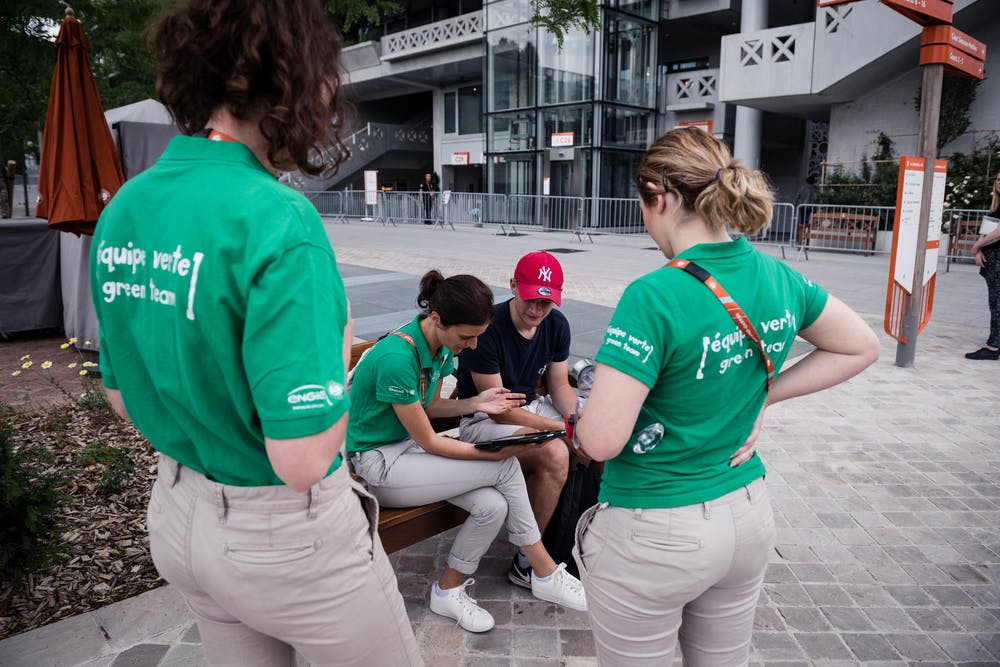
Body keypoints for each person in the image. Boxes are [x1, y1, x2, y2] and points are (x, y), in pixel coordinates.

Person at [89, 1, 421, 664]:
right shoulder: (278, 220)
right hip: (286, 538)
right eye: (326, 72)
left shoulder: (131, 203)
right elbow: (300, 459)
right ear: (283, 74)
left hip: (180, 516)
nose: (331, 92)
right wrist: (336, 347)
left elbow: (124, 396)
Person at [571, 127, 879, 665]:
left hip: (656, 526)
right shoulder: (777, 275)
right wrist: (763, 396)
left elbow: (599, 441)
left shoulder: (655, 294)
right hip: (747, 514)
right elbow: (859, 346)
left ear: (659, 197)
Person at [347, 271, 587, 633]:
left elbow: (427, 406)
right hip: (377, 466)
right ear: (438, 319)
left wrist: (475, 403)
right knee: (504, 467)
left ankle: (447, 591)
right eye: (468, 337)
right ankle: (543, 570)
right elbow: (430, 439)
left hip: (409, 450)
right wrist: (485, 453)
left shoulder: (439, 345)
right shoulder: (397, 357)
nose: (473, 346)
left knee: (493, 505)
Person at [455, 251, 579, 588]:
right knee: (556, 452)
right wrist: (558, 428)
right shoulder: (489, 328)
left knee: (591, 445)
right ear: (513, 285)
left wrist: (576, 418)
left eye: (546, 301)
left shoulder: (556, 325)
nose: (537, 309)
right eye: (530, 299)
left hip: (533, 410)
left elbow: (559, 386)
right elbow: (500, 409)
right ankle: (527, 563)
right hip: (483, 421)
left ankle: (572, 540)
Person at [965, 169, 1000, 360]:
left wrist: (976, 246)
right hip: (991, 258)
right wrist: (980, 250)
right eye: (998, 179)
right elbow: (987, 228)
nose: (999, 183)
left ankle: (993, 347)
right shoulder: (997, 205)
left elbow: (997, 233)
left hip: (997, 260)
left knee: (996, 303)